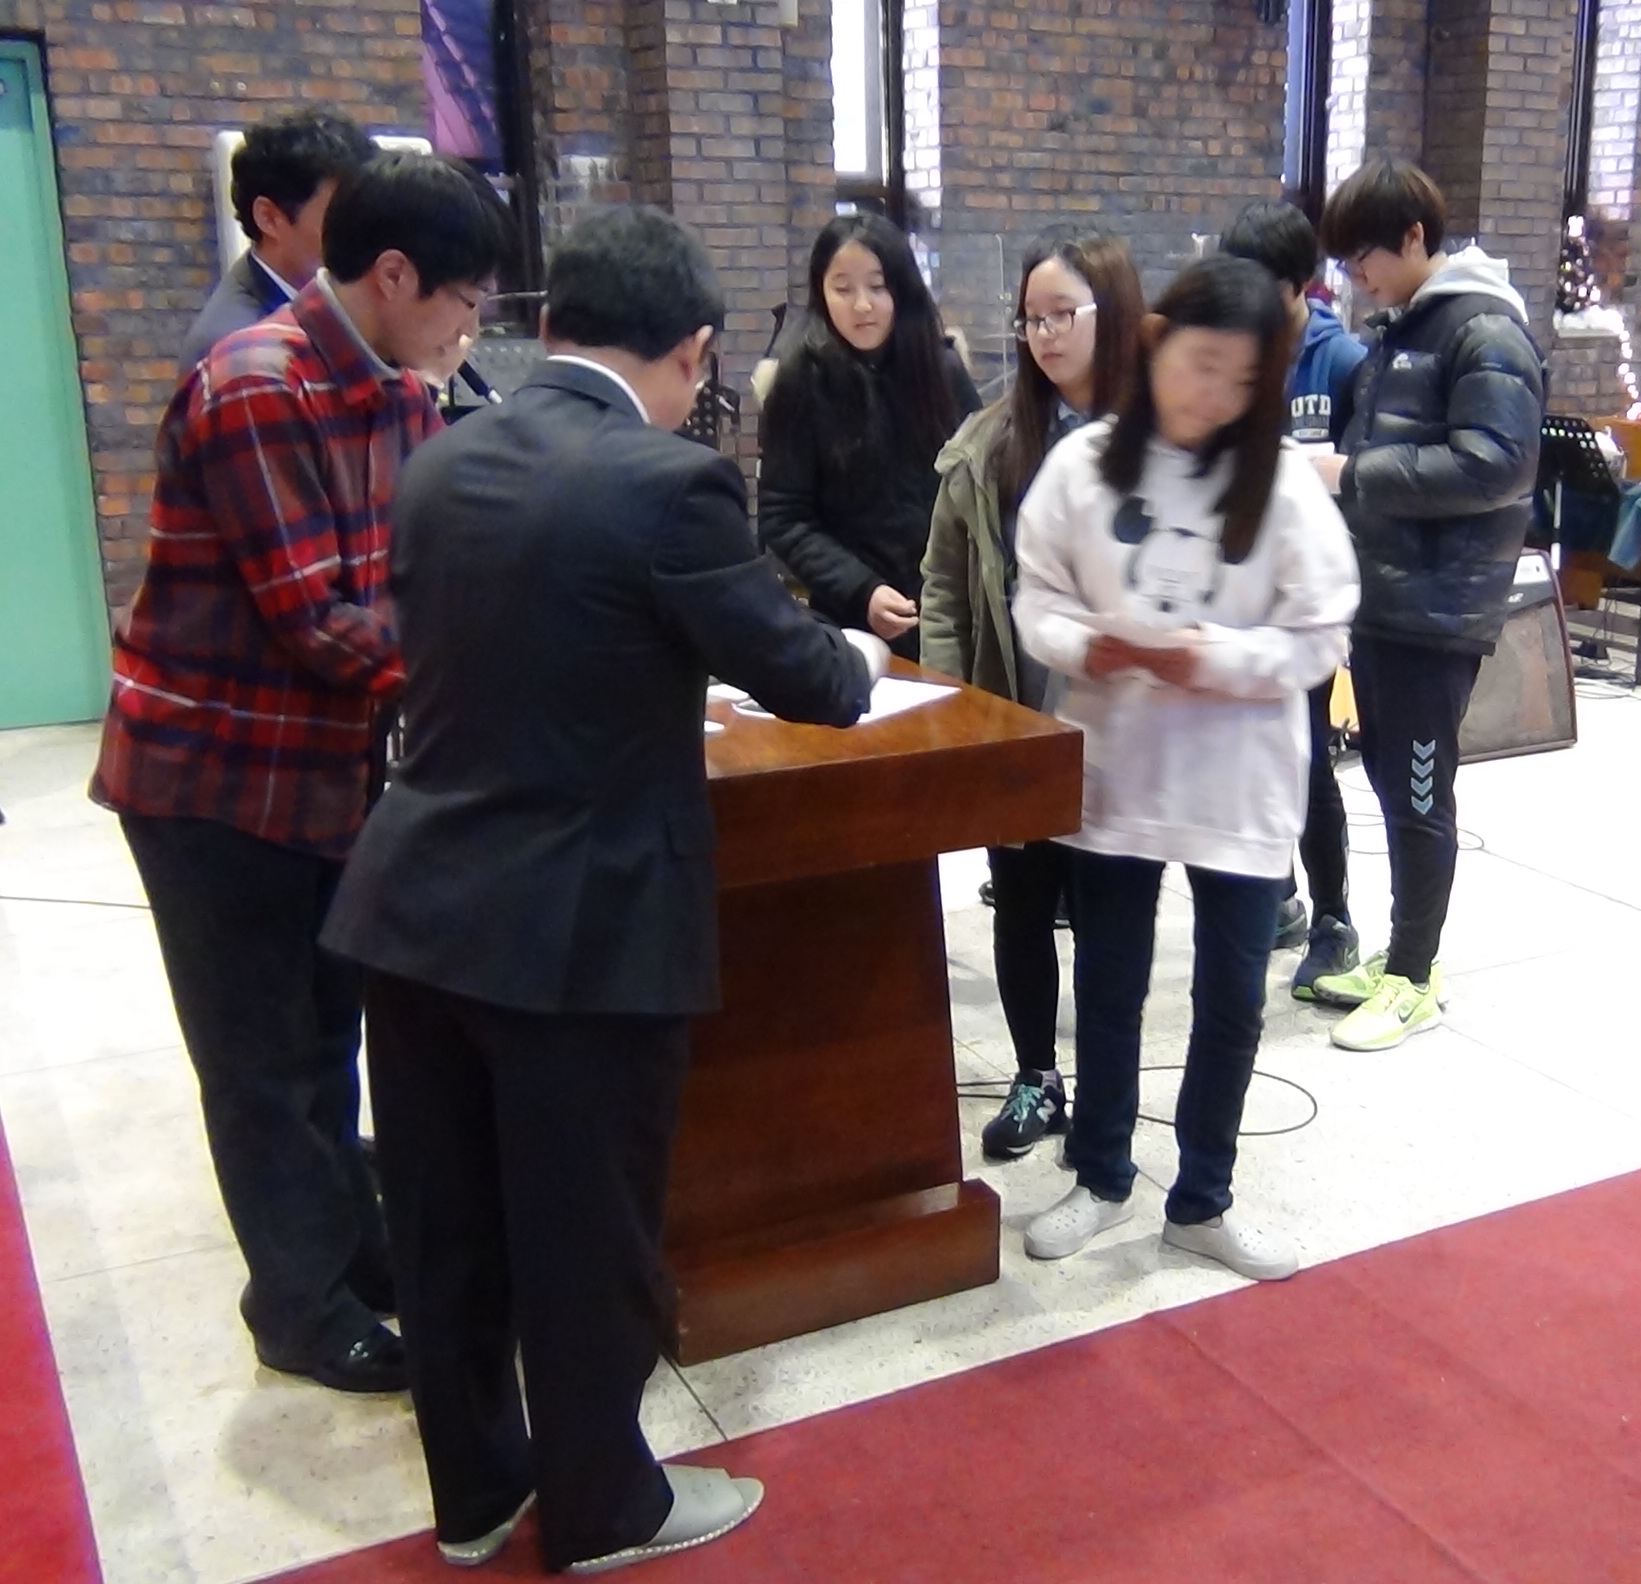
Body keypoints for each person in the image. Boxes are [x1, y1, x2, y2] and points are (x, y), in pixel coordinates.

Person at [320, 207, 884, 1575]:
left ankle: (475, 1498)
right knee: (588, 1235)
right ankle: (602, 1509)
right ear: (692, 348)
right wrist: (857, 658)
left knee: (447, 1224)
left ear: (551, 322)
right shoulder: (665, 483)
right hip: (578, 928)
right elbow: (807, 678)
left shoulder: (440, 456)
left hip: (414, 906)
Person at [90, 153, 513, 1394]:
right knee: (261, 1064)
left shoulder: (401, 388)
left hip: (330, 779)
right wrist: (485, 679)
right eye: (465, 301)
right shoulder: (255, 386)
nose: (471, 327)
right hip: (214, 784)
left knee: (331, 1035)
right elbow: (318, 619)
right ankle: (298, 1305)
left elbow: (426, 570)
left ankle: (343, 1243)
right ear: (395, 277)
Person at [1012, 253, 1358, 1280]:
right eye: (1200, 366)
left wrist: (1214, 657)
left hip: (1238, 783)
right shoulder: (1085, 465)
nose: (1213, 397)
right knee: (1109, 986)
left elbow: (1321, 636)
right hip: (1120, 770)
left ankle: (1202, 1199)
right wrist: (1092, 647)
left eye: (1240, 380)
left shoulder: (1283, 485)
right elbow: (1037, 600)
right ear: (1157, 344)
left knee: (1232, 1000)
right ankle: (1101, 1174)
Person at [1307, 158, 1547, 1052]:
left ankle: (1414, 977)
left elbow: (1496, 466)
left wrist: (1348, 472)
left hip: (1437, 609)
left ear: (1414, 237)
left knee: (1417, 791)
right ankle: (1403, 956)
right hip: (1385, 597)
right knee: (1386, 780)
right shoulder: (1404, 327)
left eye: (1364, 256)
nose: (1356, 276)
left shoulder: (1485, 331)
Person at [921, 224, 1146, 1161]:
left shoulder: (1161, 438)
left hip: (1121, 733)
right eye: (1031, 319)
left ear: (1112, 313)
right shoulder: (991, 441)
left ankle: (1106, 1093)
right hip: (1016, 716)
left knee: (1106, 923)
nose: (1044, 335)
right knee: (1020, 904)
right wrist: (952, 704)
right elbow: (943, 584)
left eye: (1063, 314)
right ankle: (1035, 1077)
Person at [1220, 198, 1367, 996]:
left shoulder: (1340, 362)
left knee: (1307, 759)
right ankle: (1278, 898)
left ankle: (1335, 919)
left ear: (1296, 286)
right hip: (1242, 594)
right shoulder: (1231, 357)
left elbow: (1364, 484)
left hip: (1309, 603)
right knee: (1252, 755)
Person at [759, 213, 981, 659]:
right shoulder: (802, 380)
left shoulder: (942, 370)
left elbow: (980, 487)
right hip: (853, 620)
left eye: (878, 287)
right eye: (843, 289)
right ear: (821, 292)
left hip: (952, 610)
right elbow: (784, 516)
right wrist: (863, 590)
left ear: (901, 288)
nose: (862, 305)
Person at [178, 110, 378, 374]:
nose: (363, 230)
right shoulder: (234, 346)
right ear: (269, 218)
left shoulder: (338, 300)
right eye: (342, 212)